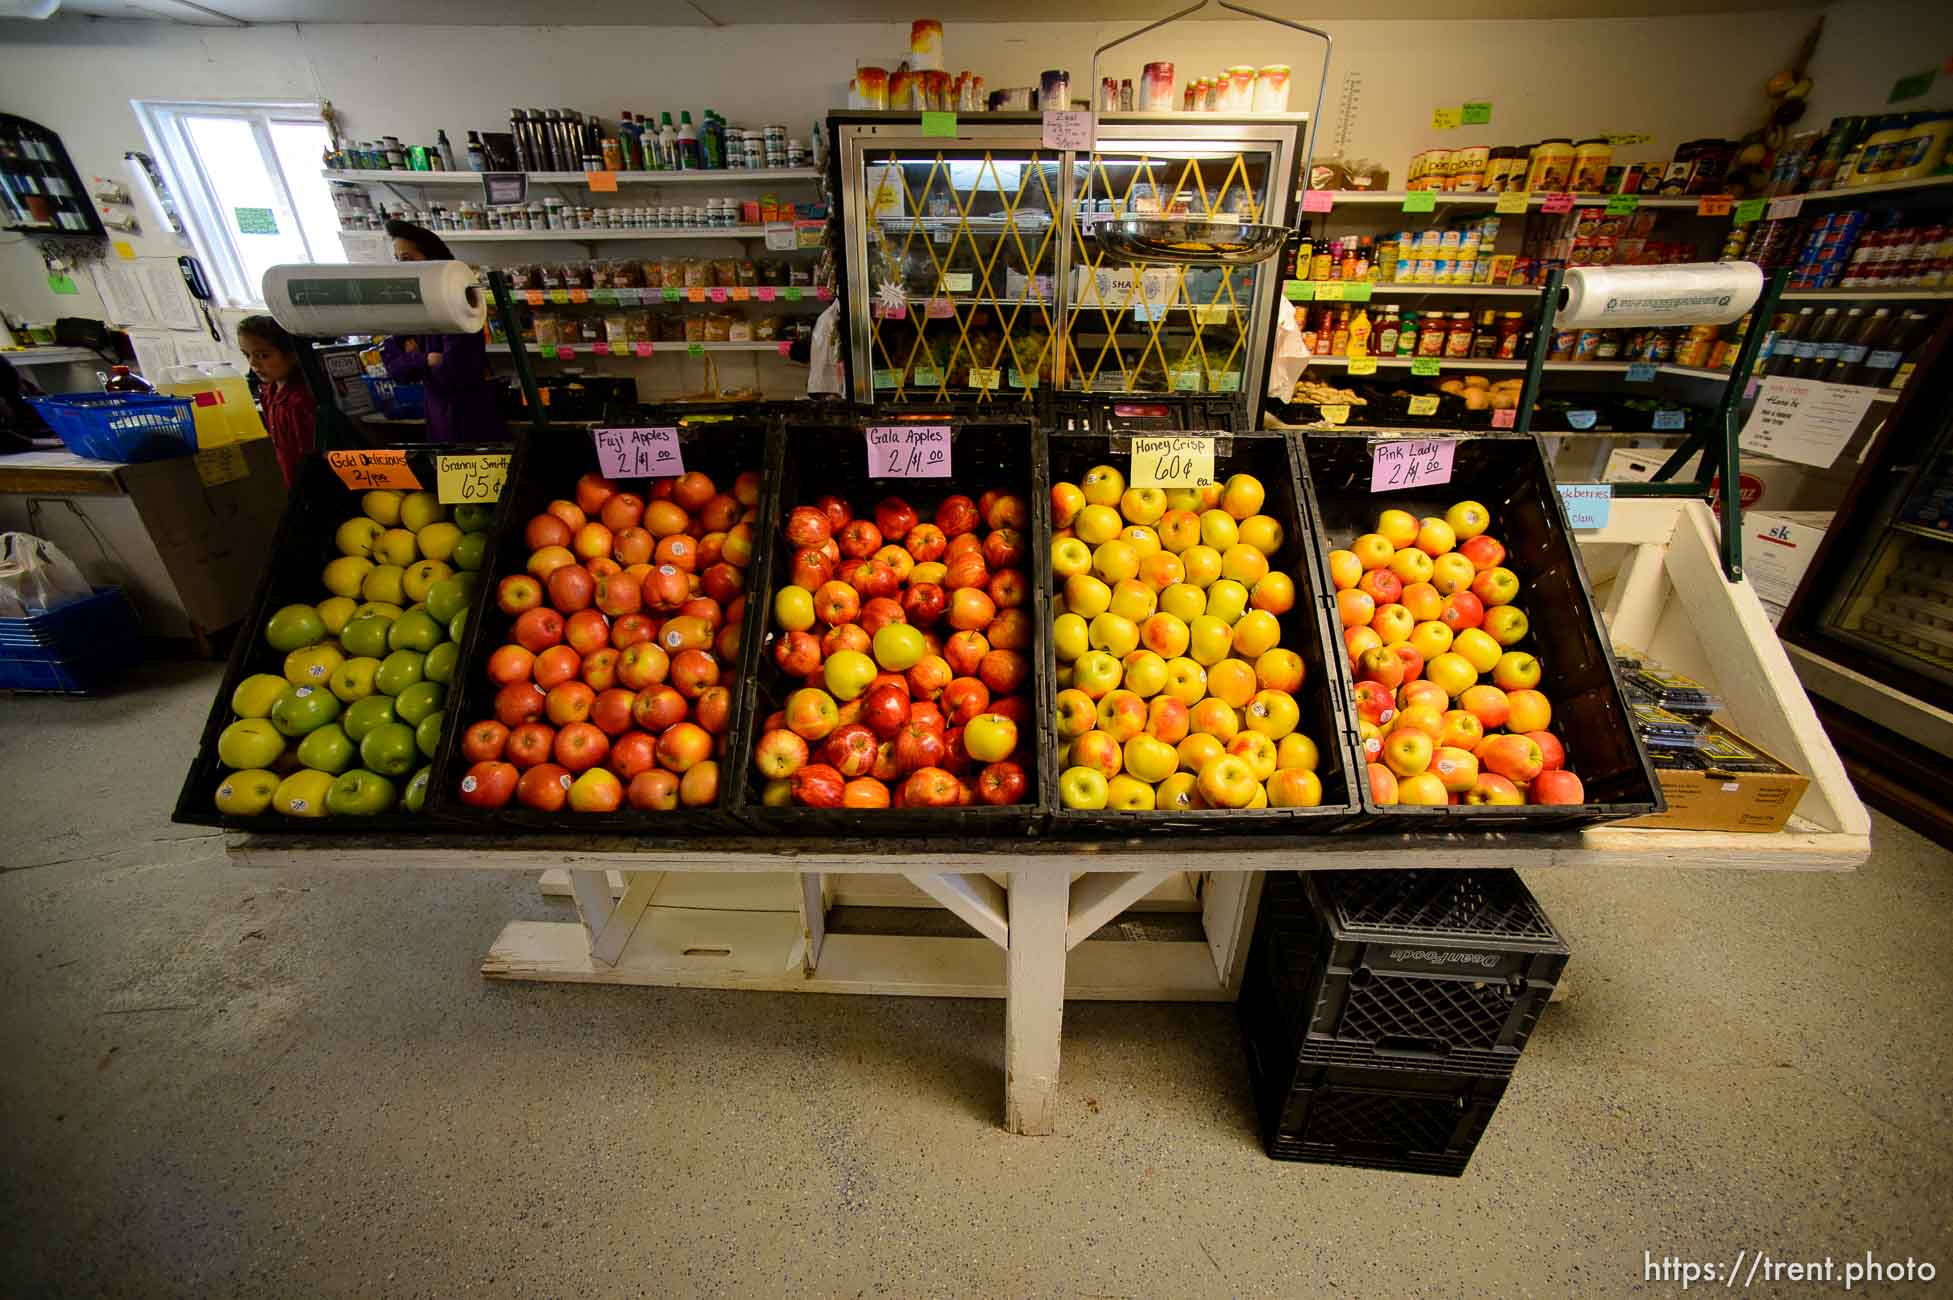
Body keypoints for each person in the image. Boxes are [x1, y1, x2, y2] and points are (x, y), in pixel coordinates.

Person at [380, 219, 507, 442]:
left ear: (433, 259)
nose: (401, 266)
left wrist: (413, 359)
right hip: (437, 415)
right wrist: (424, 359)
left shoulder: (458, 303)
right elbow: (395, 368)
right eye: (398, 259)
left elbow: (450, 371)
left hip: (470, 415)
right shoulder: (408, 309)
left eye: (408, 259)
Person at [237, 314, 316, 486]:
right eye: (247, 355)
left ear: (292, 355)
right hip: (291, 481)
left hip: (310, 486)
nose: (253, 364)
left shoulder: (301, 400)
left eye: (263, 356)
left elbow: (312, 460)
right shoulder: (268, 392)